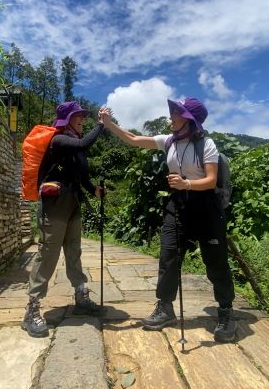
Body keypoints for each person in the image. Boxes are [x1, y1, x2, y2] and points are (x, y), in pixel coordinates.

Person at [99, 98, 236, 342]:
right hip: (178, 205)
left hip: (206, 207)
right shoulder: (169, 141)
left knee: (215, 262)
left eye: (176, 113)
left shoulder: (207, 144)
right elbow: (133, 140)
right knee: (169, 255)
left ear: (189, 120)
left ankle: (225, 311)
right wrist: (109, 124)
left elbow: (212, 180)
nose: (171, 116)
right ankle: (165, 307)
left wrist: (187, 183)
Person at [22, 101, 105, 338]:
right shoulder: (58, 140)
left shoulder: (75, 148)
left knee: (73, 250)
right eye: (77, 116)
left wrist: (94, 190)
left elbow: (83, 177)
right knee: (48, 253)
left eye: (82, 116)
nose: (81, 119)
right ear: (65, 120)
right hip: (55, 205)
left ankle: (81, 296)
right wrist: (101, 124)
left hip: (73, 204)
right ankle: (32, 310)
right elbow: (83, 142)